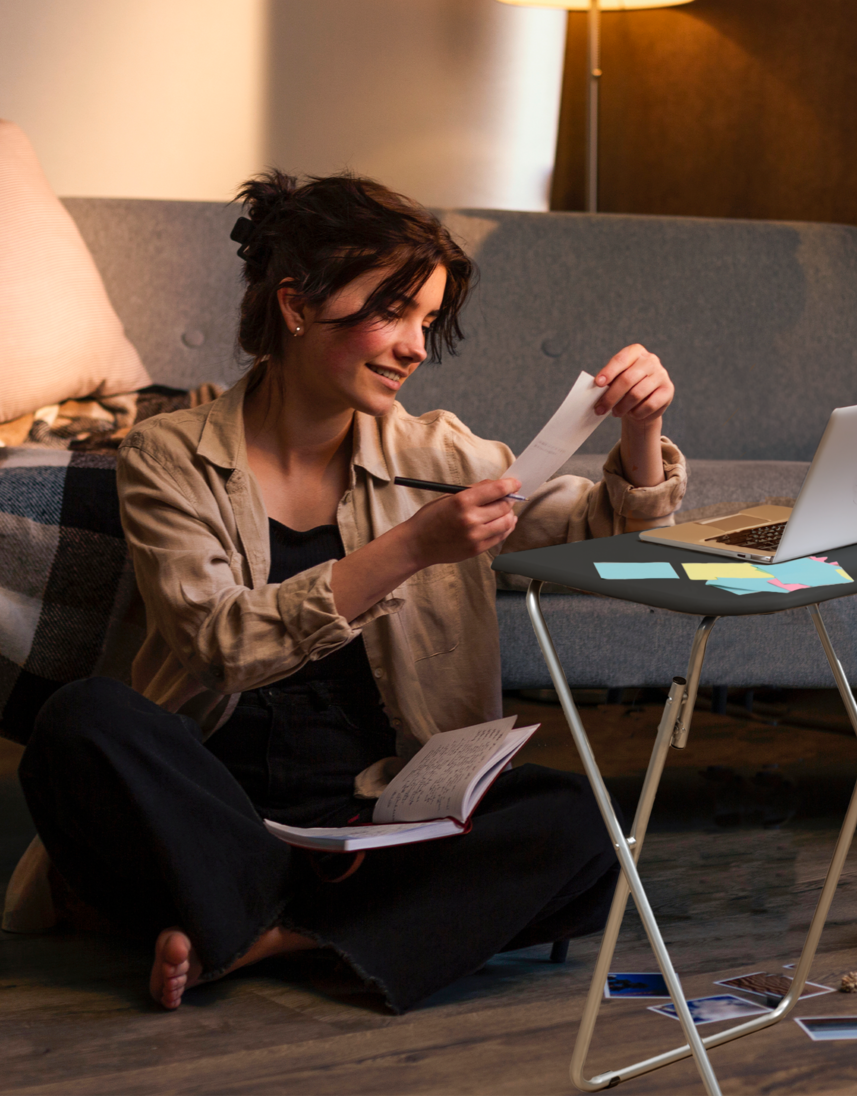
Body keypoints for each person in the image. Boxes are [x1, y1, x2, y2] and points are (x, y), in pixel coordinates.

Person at [18, 171, 686, 1013]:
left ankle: (257, 932)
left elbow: (602, 524)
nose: (415, 345)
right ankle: (310, 911)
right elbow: (220, 646)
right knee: (79, 724)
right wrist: (412, 546)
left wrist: (641, 427)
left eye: (429, 322)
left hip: (378, 805)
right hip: (210, 806)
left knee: (579, 826)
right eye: (393, 312)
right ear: (297, 306)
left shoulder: (441, 453)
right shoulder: (169, 456)